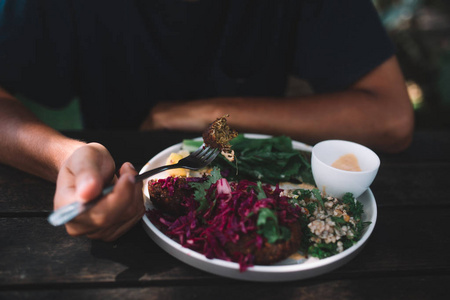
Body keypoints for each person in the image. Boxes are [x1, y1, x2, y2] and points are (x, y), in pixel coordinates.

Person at [0, 0, 414, 241]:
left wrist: (207, 116)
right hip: (126, 210)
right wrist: (65, 155)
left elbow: (392, 119)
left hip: (250, 198)